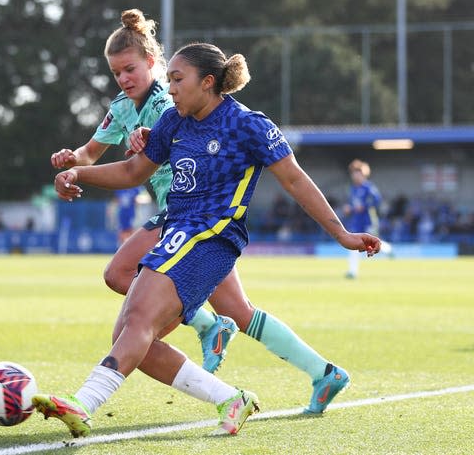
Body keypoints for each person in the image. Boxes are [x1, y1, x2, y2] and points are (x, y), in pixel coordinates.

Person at [34, 42, 381, 438]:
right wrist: (79, 174)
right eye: (169, 80)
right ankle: (231, 398)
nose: (172, 89)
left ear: (209, 81)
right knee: (132, 337)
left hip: (212, 238)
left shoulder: (249, 125)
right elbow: (132, 171)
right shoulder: (174, 123)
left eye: (178, 80)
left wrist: (341, 233)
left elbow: (295, 180)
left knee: (142, 319)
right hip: (177, 231)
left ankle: (82, 404)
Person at [49, 9, 238, 374]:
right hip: (172, 213)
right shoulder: (120, 109)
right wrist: (70, 158)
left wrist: (150, 138)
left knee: (141, 315)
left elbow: (172, 141)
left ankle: (216, 343)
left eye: (130, 69)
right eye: (116, 72)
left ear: (151, 62)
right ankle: (213, 329)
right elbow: (90, 154)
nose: (123, 78)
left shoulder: (168, 103)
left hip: (191, 212)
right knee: (119, 277)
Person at [343, 159, 392, 279]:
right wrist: (349, 208)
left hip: (368, 220)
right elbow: (354, 204)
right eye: (353, 173)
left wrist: (364, 206)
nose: (355, 175)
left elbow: (376, 200)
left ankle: (388, 250)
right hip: (357, 220)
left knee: (372, 243)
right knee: (354, 244)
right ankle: (352, 271)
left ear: (363, 174)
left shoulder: (368, 187)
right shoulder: (353, 189)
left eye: (357, 173)